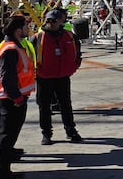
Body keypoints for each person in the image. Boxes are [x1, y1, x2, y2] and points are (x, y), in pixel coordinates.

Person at [30, 9, 83, 145]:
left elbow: (77, 52)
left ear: (61, 21)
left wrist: (74, 66)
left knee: (66, 105)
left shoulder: (69, 36)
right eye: (49, 20)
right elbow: (30, 57)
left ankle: (71, 131)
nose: (51, 23)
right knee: (44, 107)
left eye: (54, 20)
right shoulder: (38, 38)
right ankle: (46, 133)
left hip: (63, 76)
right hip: (44, 77)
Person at [0, 15, 35, 179]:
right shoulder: (10, 49)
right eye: (26, 26)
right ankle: (2, 173)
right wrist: (17, 98)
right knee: (6, 136)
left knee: (5, 135)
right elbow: (7, 78)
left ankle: (1, 166)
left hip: (12, 97)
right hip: (11, 99)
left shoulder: (12, 46)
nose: (28, 29)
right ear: (18, 31)